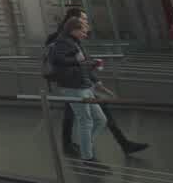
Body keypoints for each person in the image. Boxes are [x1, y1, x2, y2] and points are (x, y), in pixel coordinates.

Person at [45, 8, 148, 157]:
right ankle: (81, 149)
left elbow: (83, 62)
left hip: (81, 83)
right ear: (74, 21)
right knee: (84, 117)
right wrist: (82, 67)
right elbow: (63, 61)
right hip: (73, 84)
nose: (86, 23)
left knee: (95, 117)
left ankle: (81, 147)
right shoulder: (61, 38)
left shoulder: (75, 38)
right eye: (84, 20)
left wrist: (95, 79)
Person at [48, 18, 110, 162]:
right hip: (73, 87)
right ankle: (87, 157)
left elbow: (83, 64)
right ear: (73, 30)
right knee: (86, 121)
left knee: (100, 120)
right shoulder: (63, 42)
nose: (85, 33)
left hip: (84, 85)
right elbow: (58, 60)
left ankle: (85, 146)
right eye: (82, 30)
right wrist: (82, 62)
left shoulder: (76, 43)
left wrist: (96, 79)